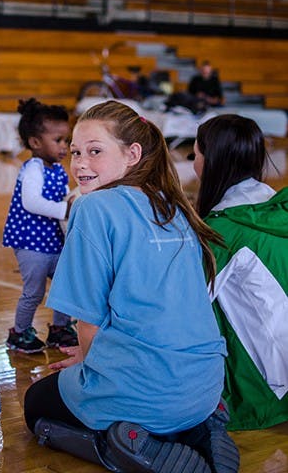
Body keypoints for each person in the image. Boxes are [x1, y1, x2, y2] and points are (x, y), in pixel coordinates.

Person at [24, 101, 239, 473]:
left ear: (132, 154)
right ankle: (197, 430)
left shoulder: (92, 208)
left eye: (95, 151)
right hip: (205, 386)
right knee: (142, 393)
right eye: (75, 152)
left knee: (36, 404)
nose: (80, 163)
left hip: (148, 391)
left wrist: (90, 366)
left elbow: (87, 324)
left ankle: (125, 446)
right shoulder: (173, 205)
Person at [193, 114, 288, 431]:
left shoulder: (223, 233)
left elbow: (179, 311)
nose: (194, 162)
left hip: (266, 394)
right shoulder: (276, 209)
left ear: (212, 162)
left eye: (196, 154)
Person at [3, 98, 78, 354]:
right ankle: (19, 333)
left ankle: (60, 327)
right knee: (33, 292)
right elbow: (32, 202)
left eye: (66, 141)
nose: (64, 146)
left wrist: (74, 201)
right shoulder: (33, 168)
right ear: (35, 143)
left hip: (54, 241)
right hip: (30, 243)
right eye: (58, 140)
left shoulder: (57, 169)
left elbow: (64, 198)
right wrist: (65, 209)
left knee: (64, 285)